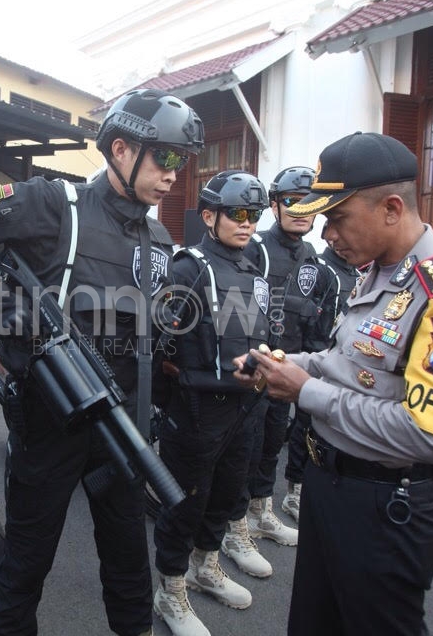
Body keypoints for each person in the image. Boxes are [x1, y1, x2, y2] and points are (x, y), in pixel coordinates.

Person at [0, 88, 204, 636]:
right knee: (26, 563)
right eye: (167, 157)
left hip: (122, 425)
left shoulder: (158, 236)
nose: (175, 173)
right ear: (121, 149)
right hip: (51, 419)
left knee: (128, 562)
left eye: (183, 161)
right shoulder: (56, 204)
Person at [236, 131, 433, 635]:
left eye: (336, 217)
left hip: (384, 507)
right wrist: (283, 365)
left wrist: (304, 391)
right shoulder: (381, 272)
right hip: (331, 485)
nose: (326, 234)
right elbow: (349, 364)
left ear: (391, 208)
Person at [153, 171, 271, 635]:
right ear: (209, 215)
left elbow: (262, 332)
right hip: (198, 411)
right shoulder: (189, 266)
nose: (247, 224)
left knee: (226, 494)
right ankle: (171, 590)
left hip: (245, 407)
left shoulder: (252, 270)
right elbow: (158, 336)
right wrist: (175, 389)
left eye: (255, 216)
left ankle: (206, 566)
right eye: (238, 214)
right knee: (185, 503)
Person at [239, 166, 335, 546]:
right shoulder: (254, 247)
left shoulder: (314, 258)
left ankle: (262, 511)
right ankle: (234, 525)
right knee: (243, 448)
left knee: (272, 444)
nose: (301, 210)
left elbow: (316, 319)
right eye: (293, 201)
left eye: (311, 203)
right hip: (252, 372)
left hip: (291, 372)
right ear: (275, 204)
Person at [280, 238, 362, 522]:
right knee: (305, 428)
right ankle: (295, 491)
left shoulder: (360, 275)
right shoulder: (319, 268)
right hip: (312, 359)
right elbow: (296, 317)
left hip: (345, 366)